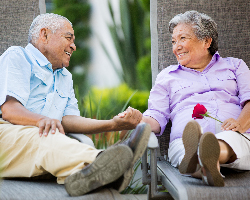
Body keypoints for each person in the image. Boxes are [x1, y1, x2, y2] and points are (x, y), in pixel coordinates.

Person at [0, 13, 151, 196]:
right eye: (68, 38)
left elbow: (68, 120)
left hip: (42, 143)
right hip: (8, 135)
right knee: (47, 136)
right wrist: (42, 120)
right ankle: (108, 165)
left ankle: (88, 175)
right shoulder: (18, 56)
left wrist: (113, 125)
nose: (74, 46)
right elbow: (9, 110)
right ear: (44, 35)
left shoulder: (65, 77)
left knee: (51, 138)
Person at [142, 10, 250, 187]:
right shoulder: (167, 76)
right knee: (184, 149)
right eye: (173, 41)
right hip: (184, 139)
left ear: (207, 41)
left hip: (236, 135)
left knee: (232, 141)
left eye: (182, 38)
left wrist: (241, 124)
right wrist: (136, 121)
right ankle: (205, 163)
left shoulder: (235, 65)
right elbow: (156, 116)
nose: (176, 47)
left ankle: (202, 160)